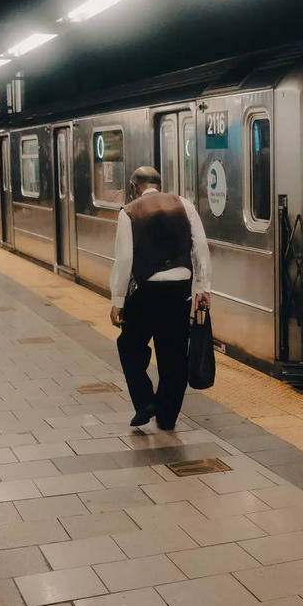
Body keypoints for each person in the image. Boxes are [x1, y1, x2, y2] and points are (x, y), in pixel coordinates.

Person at [110, 166, 211, 430]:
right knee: (174, 357)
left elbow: (123, 261)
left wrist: (118, 301)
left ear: (134, 188)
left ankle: (144, 402)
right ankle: (167, 418)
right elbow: (200, 248)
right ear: (159, 184)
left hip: (145, 292)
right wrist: (202, 288)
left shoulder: (129, 213)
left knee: (130, 347)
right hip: (179, 292)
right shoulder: (184, 206)